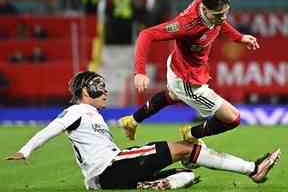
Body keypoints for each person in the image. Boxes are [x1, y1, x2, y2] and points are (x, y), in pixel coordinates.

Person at [5, 71, 280, 190]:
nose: (105, 90)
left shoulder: (90, 115)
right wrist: (26, 149)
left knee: (185, 175)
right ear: (85, 90)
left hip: (105, 178)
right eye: (99, 86)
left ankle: (145, 186)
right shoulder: (77, 111)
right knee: (186, 149)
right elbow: (52, 128)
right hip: (109, 168)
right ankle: (252, 169)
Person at [119, 0, 260, 142]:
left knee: (171, 95)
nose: (223, 17)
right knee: (233, 118)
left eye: (226, 12)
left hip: (182, 66)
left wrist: (239, 37)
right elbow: (146, 34)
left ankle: (132, 121)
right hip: (186, 79)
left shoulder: (210, 5)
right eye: (218, 15)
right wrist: (140, 72)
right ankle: (190, 135)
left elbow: (220, 24)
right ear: (205, 9)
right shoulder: (186, 25)